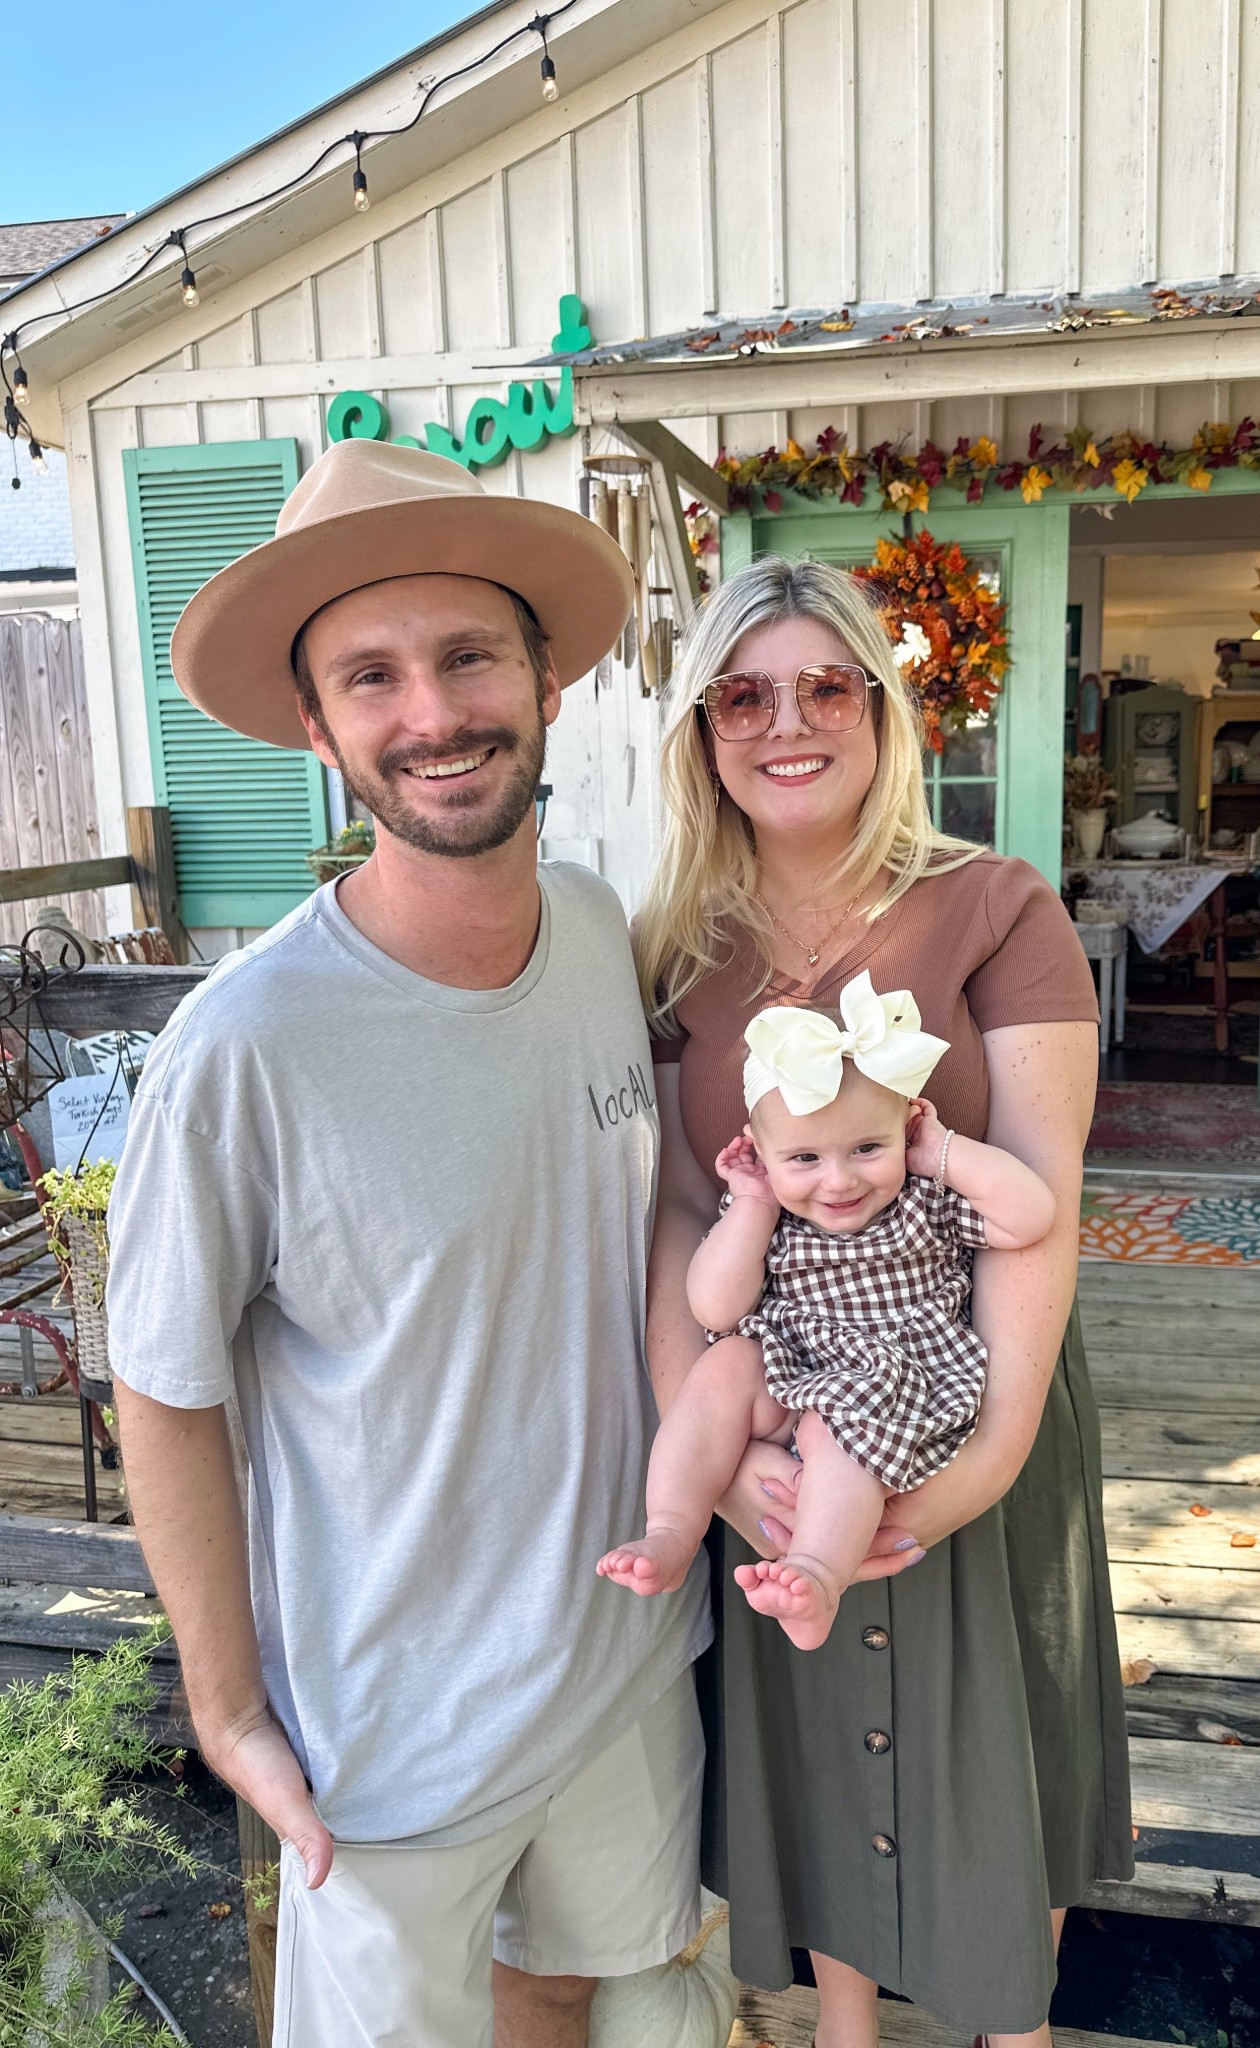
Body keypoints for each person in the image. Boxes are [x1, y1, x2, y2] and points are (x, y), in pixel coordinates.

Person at [106, 440, 711, 2048]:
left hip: (622, 1657)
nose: (431, 713)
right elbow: (162, 1385)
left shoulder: (591, 927)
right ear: (317, 730)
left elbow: (645, 1222)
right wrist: (227, 1711)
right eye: (370, 677)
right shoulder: (246, 1046)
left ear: (547, 677)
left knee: (581, 1987)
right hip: (384, 1734)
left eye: (466, 655)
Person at [634, 556, 1134, 2048]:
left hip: (972, 1386)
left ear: (880, 704)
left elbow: (1042, 1199)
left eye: (825, 685)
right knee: (812, 1753)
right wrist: (717, 1454)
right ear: (702, 727)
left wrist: (987, 1452)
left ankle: (1011, 2029)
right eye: (744, 694)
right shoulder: (672, 946)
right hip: (782, 1403)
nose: (787, 723)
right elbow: (676, 1207)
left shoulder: (995, 905)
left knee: (1004, 1751)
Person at [598, 973, 1055, 1650]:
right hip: (788, 1363)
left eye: (867, 1149)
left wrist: (944, 1153)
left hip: (888, 1377)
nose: (838, 1180)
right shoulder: (765, 1211)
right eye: (805, 1158)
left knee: (838, 1435)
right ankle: (671, 1527)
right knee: (722, 1368)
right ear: (758, 1148)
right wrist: (752, 1205)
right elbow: (713, 1305)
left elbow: (1031, 1216)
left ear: (905, 1127)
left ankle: (815, 1575)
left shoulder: (923, 1198)